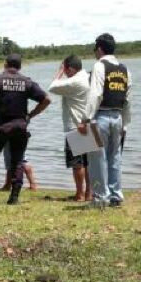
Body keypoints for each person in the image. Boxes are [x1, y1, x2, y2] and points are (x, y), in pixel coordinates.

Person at [0, 54, 50, 205]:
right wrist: (30, 115)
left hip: (1, 126)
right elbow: (47, 99)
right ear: (20, 66)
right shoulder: (27, 82)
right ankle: (14, 198)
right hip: (20, 126)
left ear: (5, 64)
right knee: (17, 161)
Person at [78, 33, 132, 207]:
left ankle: (100, 198)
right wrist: (126, 124)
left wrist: (85, 119)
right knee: (115, 158)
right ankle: (115, 196)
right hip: (118, 117)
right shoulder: (125, 69)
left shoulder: (99, 66)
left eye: (95, 49)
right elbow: (127, 100)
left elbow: (95, 94)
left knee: (97, 160)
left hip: (100, 117)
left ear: (99, 49)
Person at [48, 55, 91, 201]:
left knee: (77, 164)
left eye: (66, 69)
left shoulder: (74, 81)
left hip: (76, 125)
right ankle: (89, 194)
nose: (65, 72)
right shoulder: (87, 76)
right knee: (88, 163)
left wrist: (59, 71)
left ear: (70, 68)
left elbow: (52, 86)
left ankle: (79, 194)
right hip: (89, 123)